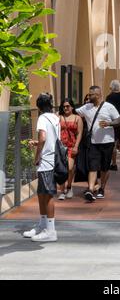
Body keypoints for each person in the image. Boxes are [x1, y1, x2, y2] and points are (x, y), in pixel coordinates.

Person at [23, 93, 59, 242]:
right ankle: (43, 225)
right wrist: (37, 143)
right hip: (52, 158)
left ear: (38, 107)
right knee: (42, 193)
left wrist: (37, 156)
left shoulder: (42, 118)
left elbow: (43, 137)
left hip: (46, 162)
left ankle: (51, 231)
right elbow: (51, 140)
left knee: (48, 194)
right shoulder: (55, 118)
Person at [76, 85, 120, 202]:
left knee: (105, 168)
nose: (89, 96)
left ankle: (102, 188)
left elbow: (119, 120)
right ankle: (90, 190)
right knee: (93, 166)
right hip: (93, 143)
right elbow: (74, 112)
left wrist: (109, 124)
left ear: (98, 95)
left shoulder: (109, 107)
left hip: (108, 142)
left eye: (91, 95)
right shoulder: (86, 107)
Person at [57, 98, 83, 200]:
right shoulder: (59, 117)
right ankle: (62, 191)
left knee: (70, 168)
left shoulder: (77, 118)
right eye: (63, 106)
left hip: (71, 146)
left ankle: (69, 187)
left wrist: (76, 146)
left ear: (72, 107)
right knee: (61, 169)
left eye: (67, 106)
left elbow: (79, 133)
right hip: (61, 146)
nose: (65, 108)